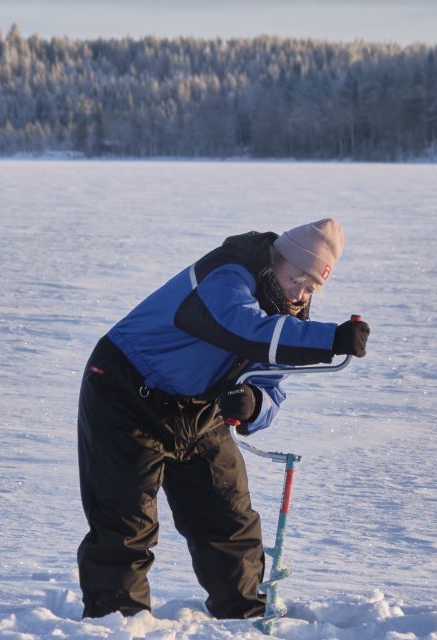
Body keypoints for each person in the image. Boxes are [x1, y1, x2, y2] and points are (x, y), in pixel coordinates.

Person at [76, 218, 370, 620]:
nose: (300, 293)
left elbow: (271, 385)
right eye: (296, 277)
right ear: (275, 260)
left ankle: (244, 616)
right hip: (126, 392)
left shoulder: (290, 315)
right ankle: (116, 622)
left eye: (311, 286)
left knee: (229, 519)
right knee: (126, 522)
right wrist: (328, 340)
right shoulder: (228, 271)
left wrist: (251, 402)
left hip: (197, 408)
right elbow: (241, 328)